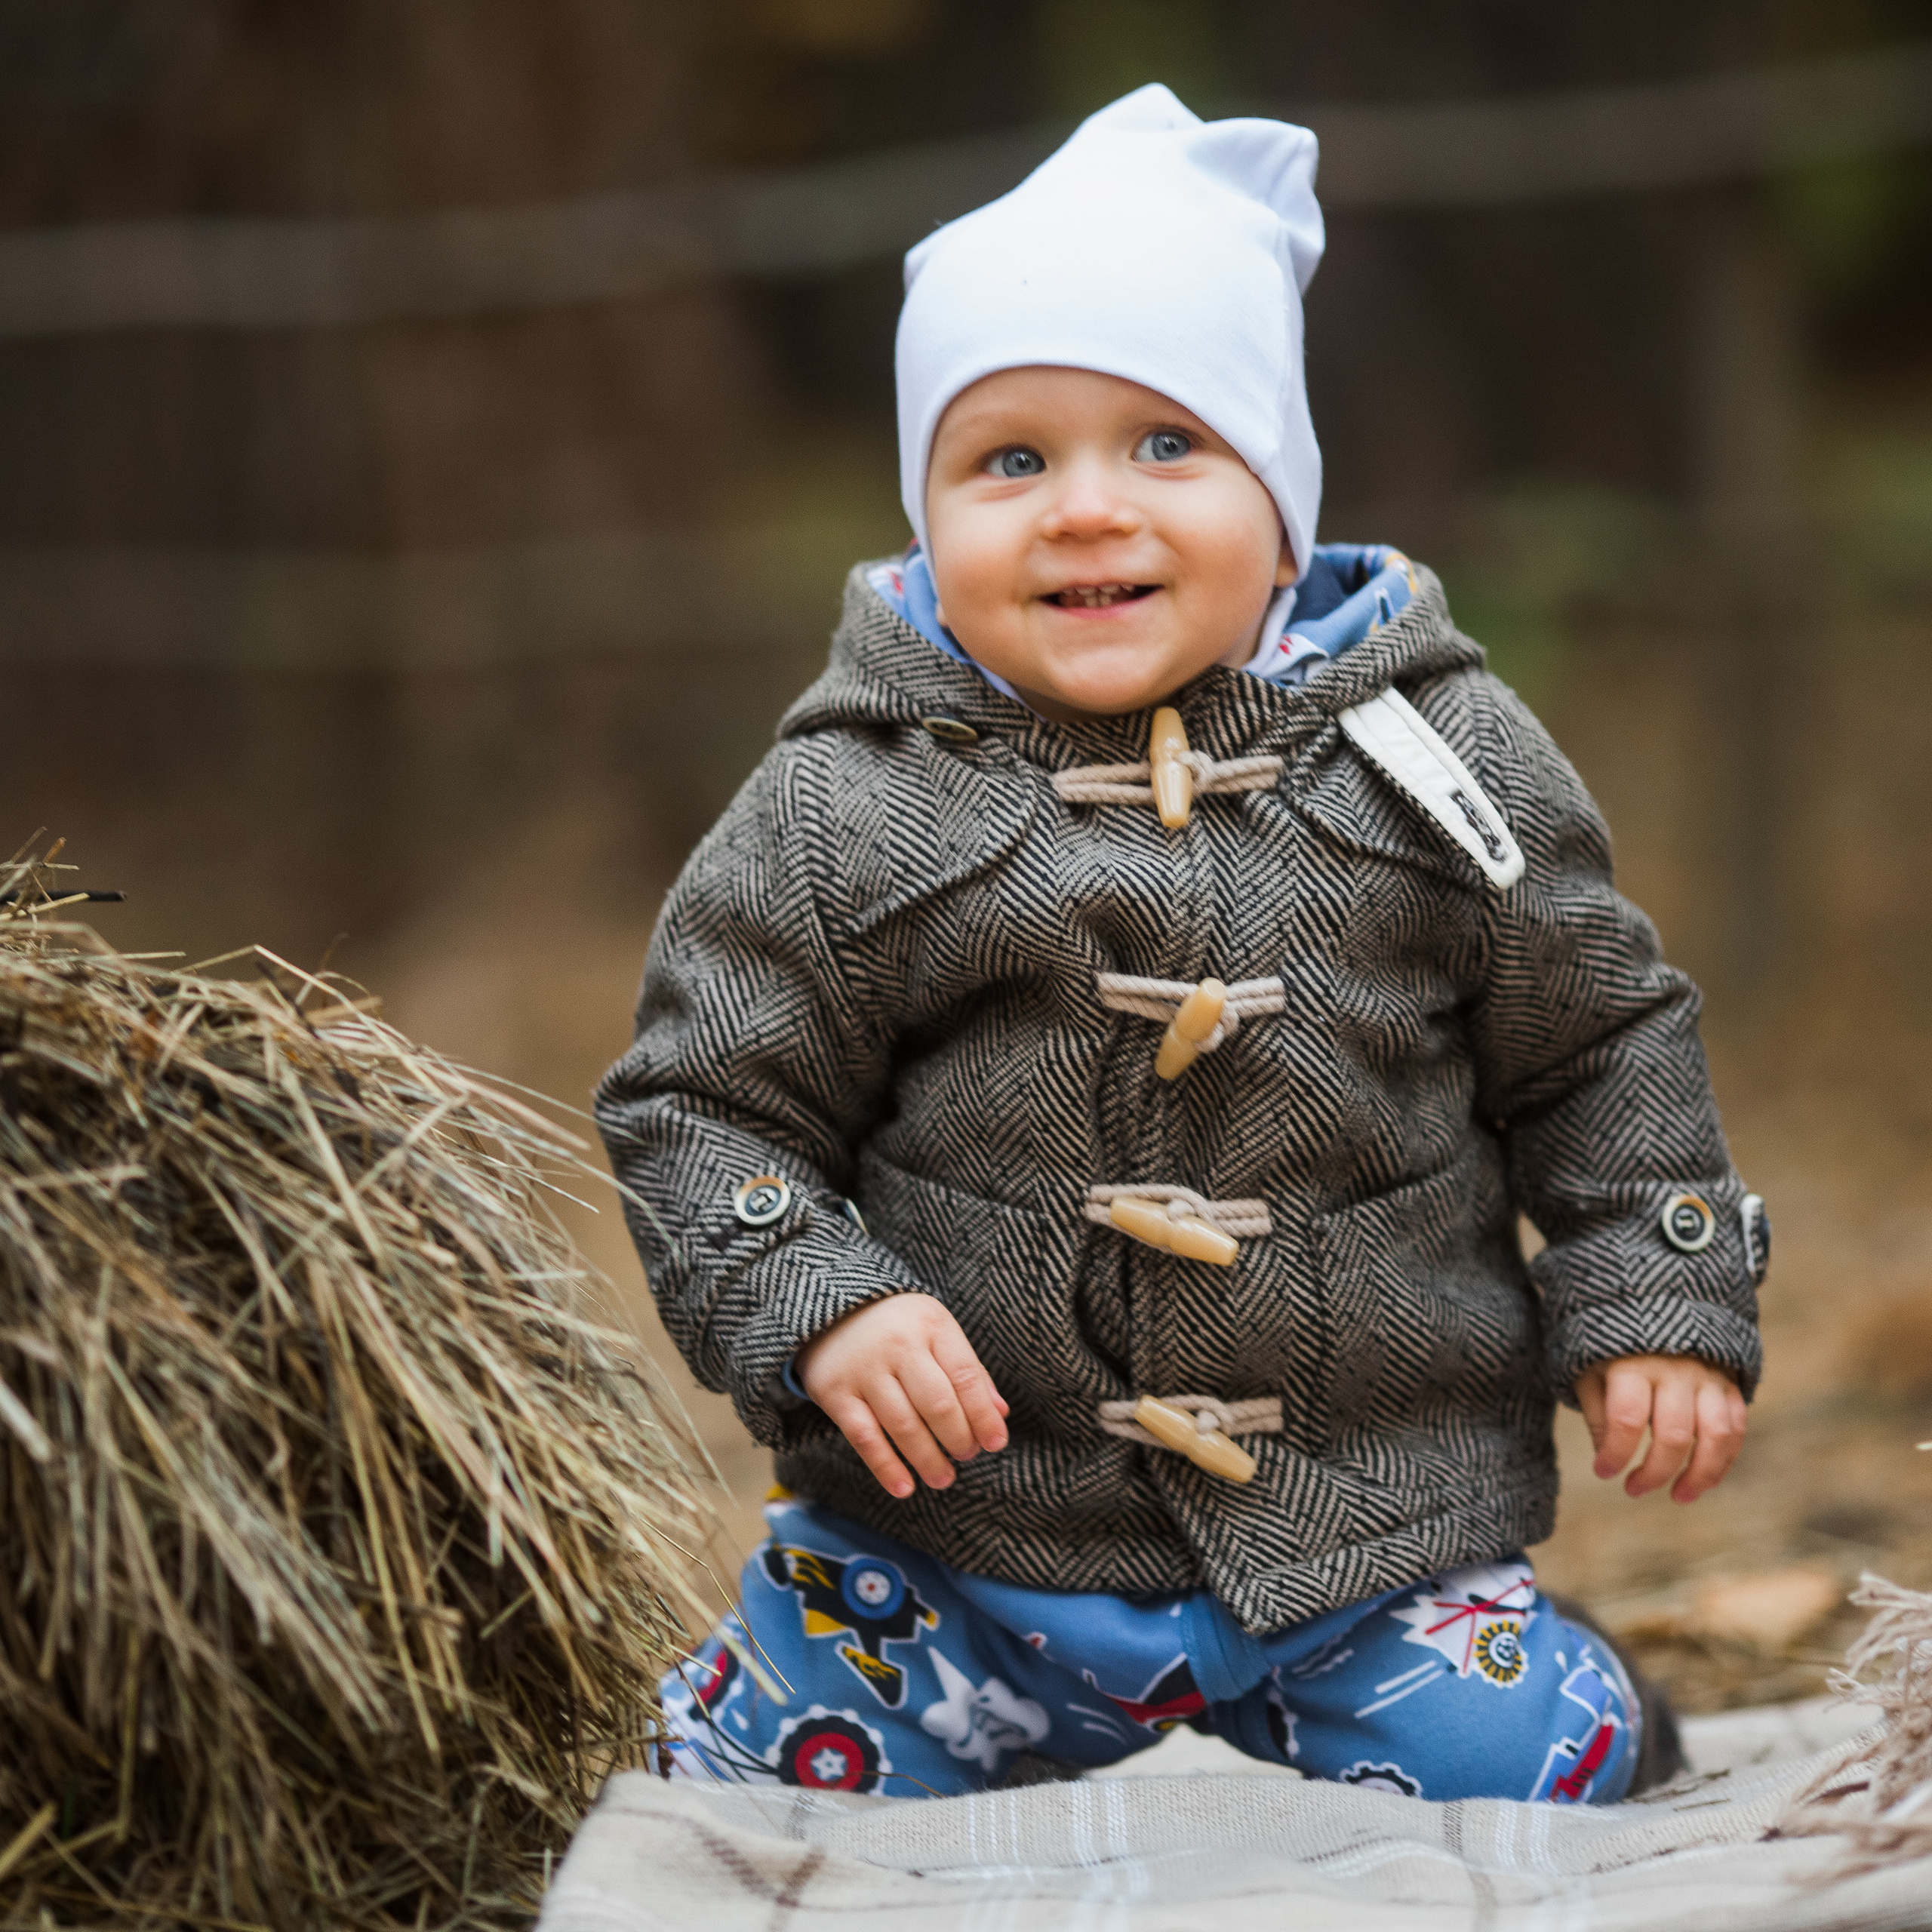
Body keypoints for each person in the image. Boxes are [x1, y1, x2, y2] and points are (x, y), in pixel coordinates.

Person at [595, 85, 1767, 1805]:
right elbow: (699, 1100)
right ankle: (914, 1706)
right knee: (729, 1781)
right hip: (956, 1546)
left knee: (1533, 1767)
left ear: (1280, 500)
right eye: (1008, 460)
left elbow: (1596, 1041)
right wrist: (818, 1303)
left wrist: (1653, 1288)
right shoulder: (848, 798)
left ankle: (1495, 1683)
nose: (1084, 509)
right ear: (924, 514)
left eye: (1165, 444)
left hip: (1366, 1527)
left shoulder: (1431, 755)